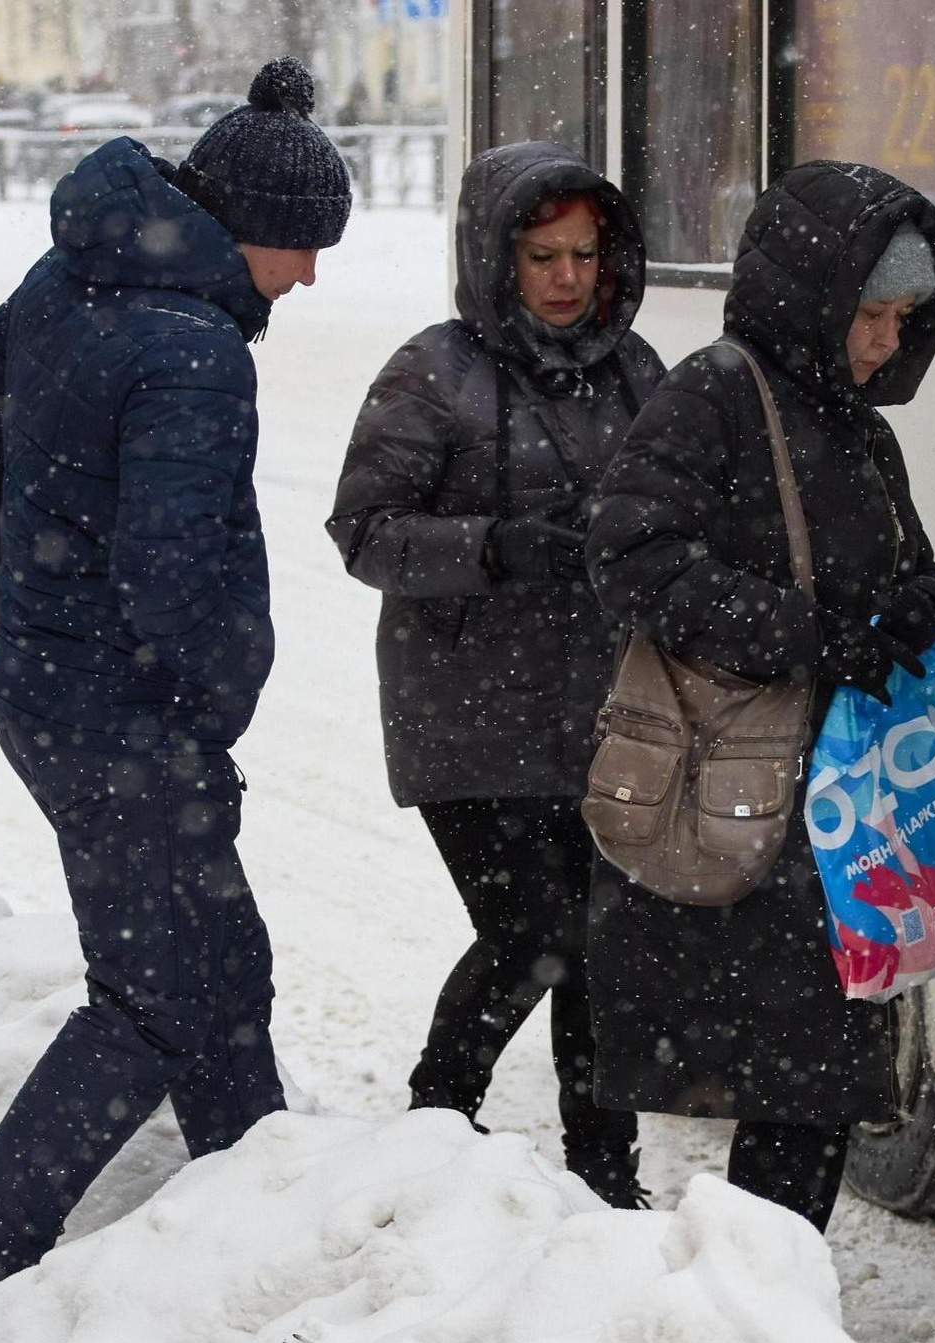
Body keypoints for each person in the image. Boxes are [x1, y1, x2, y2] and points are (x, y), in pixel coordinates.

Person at [0, 60, 352, 1333]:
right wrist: (210, 705)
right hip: (129, 717)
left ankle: (252, 1215)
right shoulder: (195, 347)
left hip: (53, 690)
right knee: (152, 990)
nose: (308, 277)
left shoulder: (71, 278)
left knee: (217, 959)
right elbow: (171, 576)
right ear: (244, 226)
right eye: (303, 248)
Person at [581, 162, 935, 1231]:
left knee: (820, 1081)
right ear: (811, 301)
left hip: (836, 806)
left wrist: (921, 611)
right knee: (792, 1079)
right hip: (751, 793)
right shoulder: (716, 393)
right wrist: (809, 637)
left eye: (901, 319)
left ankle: (765, 1302)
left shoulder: (855, 423)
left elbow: (905, 559)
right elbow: (630, 549)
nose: (886, 341)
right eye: (870, 315)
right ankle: (751, 1306)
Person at [327, 143, 665, 1208]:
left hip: (603, 716)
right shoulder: (433, 371)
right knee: (538, 933)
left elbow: (679, 505)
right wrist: (497, 543)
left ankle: (605, 1177)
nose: (568, 278)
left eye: (583, 254)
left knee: (604, 949)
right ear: (493, 257)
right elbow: (365, 532)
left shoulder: (634, 370)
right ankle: (435, 1119)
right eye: (541, 255)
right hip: (467, 719)